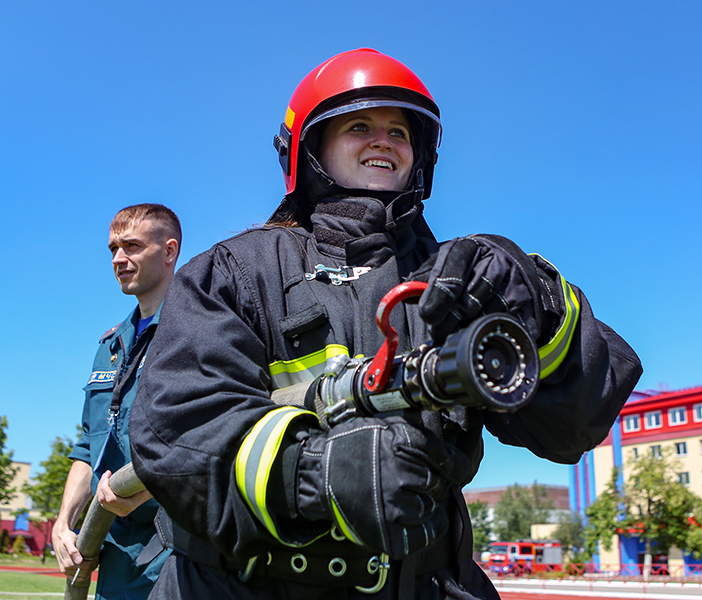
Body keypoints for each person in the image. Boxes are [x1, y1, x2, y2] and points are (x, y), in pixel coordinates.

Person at [130, 49, 642, 600]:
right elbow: (176, 432)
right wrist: (316, 475)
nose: (383, 140)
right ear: (307, 151)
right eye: (359, 125)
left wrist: (538, 303)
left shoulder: (458, 280)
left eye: (399, 131)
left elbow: (578, 426)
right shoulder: (234, 271)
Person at [53, 204, 181, 599]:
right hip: (113, 551)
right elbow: (89, 444)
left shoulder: (197, 331)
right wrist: (63, 523)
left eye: (131, 247)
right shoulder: (111, 344)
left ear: (169, 251)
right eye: (112, 249)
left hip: (176, 548)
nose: (118, 260)